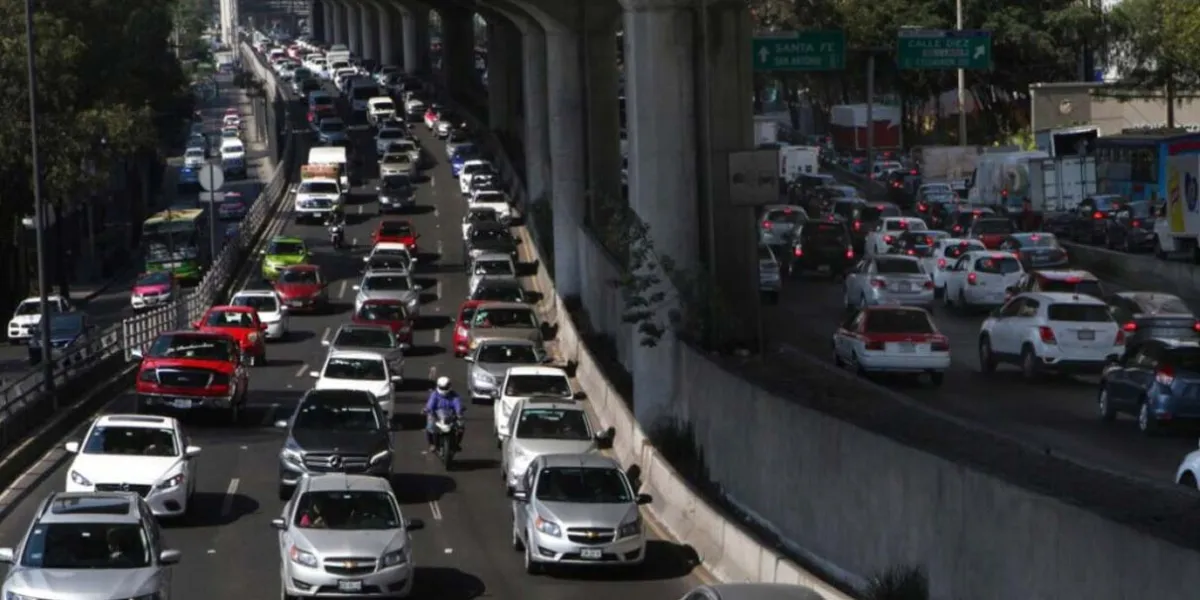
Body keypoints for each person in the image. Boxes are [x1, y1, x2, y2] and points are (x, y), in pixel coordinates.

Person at [423, 376, 464, 452]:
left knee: (461, 427)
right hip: (437, 416)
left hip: (451, 417)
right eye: (442, 388)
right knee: (429, 427)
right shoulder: (434, 395)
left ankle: (457, 444)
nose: (444, 390)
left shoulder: (454, 395)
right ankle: (432, 444)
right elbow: (430, 404)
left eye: (446, 387)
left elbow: (457, 403)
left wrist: (459, 413)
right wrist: (428, 410)